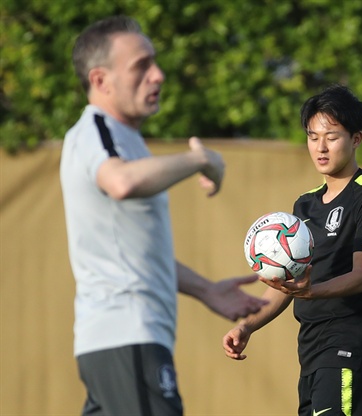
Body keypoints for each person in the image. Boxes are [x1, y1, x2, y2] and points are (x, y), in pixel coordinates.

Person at [60, 16, 268, 416]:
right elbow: (120, 181)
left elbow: (133, 254)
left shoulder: (128, 140)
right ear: (100, 80)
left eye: (154, 63)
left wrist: (206, 289)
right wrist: (199, 159)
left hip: (121, 344)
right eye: (141, 66)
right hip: (126, 336)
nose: (158, 75)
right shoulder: (96, 130)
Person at [222, 84, 362, 416]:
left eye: (331, 137)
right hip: (311, 351)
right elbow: (291, 287)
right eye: (313, 137)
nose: (321, 147)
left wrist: (312, 292)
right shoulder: (304, 206)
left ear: (355, 138)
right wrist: (248, 326)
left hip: (349, 345)